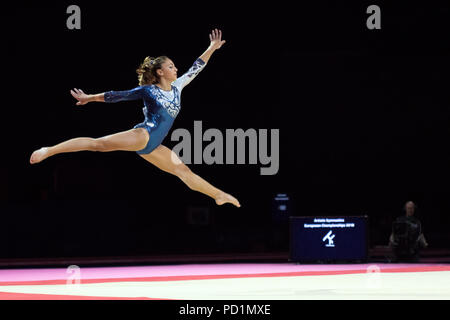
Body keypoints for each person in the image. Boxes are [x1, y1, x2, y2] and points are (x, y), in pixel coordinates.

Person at [30, 29, 240, 208]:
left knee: (183, 171)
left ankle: (218, 195)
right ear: (159, 72)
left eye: (174, 66)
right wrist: (89, 98)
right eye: (170, 66)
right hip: (144, 135)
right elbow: (117, 95)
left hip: (154, 146)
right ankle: (49, 150)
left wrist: (212, 47)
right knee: (98, 144)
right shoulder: (148, 91)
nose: (176, 69)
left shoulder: (178, 87)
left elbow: (197, 66)